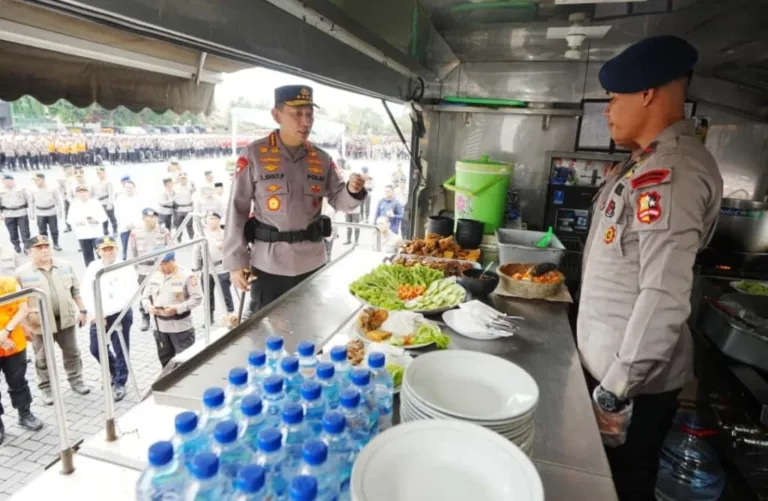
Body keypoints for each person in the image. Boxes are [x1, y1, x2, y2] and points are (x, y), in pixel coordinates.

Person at [577, 36, 723, 501]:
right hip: (614, 376)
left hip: (629, 389)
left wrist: (614, 390)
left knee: (621, 486)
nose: (607, 110)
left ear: (647, 93)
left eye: (614, 97)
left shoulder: (673, 174)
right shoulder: (643, 164)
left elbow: (663, 296)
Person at [223, 85, 367, 314]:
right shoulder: (254, 155)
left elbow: (341, 201)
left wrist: (352, 190)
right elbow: (237, 209)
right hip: (268, 266)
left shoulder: (321, 158)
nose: (305, 122)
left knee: (311, 333)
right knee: (267, 337)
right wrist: (235, 262)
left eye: (309, 114)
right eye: (297, 114)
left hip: (312, 263)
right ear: (276, 115)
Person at [15, 235, 90, 405]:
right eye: (39, 247)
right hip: (39, 324)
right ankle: (47, 389)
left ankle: (76, 381)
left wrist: (83, 310)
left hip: (66, 320)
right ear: (29, 251)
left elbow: (75, 291)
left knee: (72, 353)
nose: (45, 250)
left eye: (46, 246)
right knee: (42, 358)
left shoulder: (65, 266)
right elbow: (18, 303)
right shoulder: (21, 273)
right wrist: (23, 326)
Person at [80, 236, 137, 402]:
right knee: (96, 348)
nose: (108, 252)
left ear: (116, 249)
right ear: (98, 251)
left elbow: (129, 293)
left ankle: (120, 382)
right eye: (104, 249)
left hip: (120, 313)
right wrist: (97, 313)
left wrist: (106, 312)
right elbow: (86, 292)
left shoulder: (125, 266)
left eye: (111, 248)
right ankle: (114, 370)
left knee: (121, 349)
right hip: (99, 315)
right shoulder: (93, 267)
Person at [0, 274, 44, 443]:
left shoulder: (9, 283)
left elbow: (23, 309)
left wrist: (6, 332)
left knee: (18, 380)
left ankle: (24, 413)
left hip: (14, 343)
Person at [141, 251, 203, 368]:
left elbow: (197, 298)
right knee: (165, 362)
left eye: (164, 263)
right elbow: (144, 297)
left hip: (181, 328)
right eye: (158, 264)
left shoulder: (187, 275)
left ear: (174, 260)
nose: (161, 267)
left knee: (187, 362)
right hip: (159, 328)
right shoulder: (153, 275)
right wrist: (148, 306)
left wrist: (177, 308)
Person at [129, 208, 172, 331]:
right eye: (149, 217)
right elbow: (131, 253)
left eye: (154, 217)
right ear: (143, 218)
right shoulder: (135, 233)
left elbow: (171, 248)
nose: (152, 219)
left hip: (160, 268)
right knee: (145, 294)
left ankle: (163, 315)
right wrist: (133, 270)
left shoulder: (163, 232)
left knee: (163, 292)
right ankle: (145, 316)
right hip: (143, 269)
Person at [194, 212, 235, 325]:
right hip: (207, 269)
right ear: (206, 221)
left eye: (215, 218)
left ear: (219, 220)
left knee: (225, 293)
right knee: (207, 294)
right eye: (210, 218)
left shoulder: (225, 234)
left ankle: (230, 315)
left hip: (222, 268)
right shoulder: (201, 234)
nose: (213, 220)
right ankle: (209, 317)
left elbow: (231, 250)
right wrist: (196, 268)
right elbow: (196, 251)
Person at [67, 185, 108, 266]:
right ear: (76, 194)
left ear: (88, 193)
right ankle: (91, 275)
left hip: (96, 234)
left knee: (102, 255)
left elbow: (104, 217)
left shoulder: (95, 203)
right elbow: (69, 220)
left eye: (84, 192)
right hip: (83, 235)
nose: (82, 194)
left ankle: (104, 271)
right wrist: (78, 223)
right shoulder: (74, 205)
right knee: (88, 257)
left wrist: (96, 221)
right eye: (80, 192)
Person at [30, 173, 63, 251]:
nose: (35, 182)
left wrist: (60, 210)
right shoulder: (32, 189)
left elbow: (58, 200)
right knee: (42, 230)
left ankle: (56, 243)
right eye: (34, 180)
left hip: (51, 211)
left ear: (43, 180)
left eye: (37, 180)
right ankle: (45, 245)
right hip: (40, 212)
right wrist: (31, 213)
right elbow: (31, 202)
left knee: (54, 229)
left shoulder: (52, 188)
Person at [0, 175, 32, 254]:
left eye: (8, 181)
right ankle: (16, 245)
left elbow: (29, 200)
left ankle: (26, 247)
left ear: (12, 181)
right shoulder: (1, 191)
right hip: (8, 214)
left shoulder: (21, 189)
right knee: (12, 232)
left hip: (21, 213)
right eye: (4, 181)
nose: (6, 182)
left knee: (25, 231)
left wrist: (31, 212)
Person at [114, 177, 143, 261]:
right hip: (125, 227)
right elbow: (118, 214)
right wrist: (127, 224)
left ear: (134, 188)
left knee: (139, 249)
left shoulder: (140, 198)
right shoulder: (120, 200)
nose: (129, 189)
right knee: (126, 249)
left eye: (131, 187)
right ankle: (127, 266)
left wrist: (135, 224)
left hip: (138, 227)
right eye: (127, 188)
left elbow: (142, 214)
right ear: (124, 188)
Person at [92, 167, 118, 235]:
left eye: (101, 173)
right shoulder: (95, 184)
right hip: (100, 203)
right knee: (103, 218)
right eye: (98, 173)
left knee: (112, 217)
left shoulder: (108, 182)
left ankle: (115, 230)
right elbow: (93, 194)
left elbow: (111, 194)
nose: (100, 175)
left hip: (107, 201)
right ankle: (105, 231)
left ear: (104, 173)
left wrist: (110, 203)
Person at [173, 172, 195, 241]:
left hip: (188, 209)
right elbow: (172, 198)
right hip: (179, 210)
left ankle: (192, 240)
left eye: (184, 178)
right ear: (179, 179)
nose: (183, 179)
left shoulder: (190, 186)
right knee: (178, 226)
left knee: (189, 226)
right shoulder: (175, 187)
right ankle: (179, 240)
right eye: (181, 178)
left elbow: (196, 192)